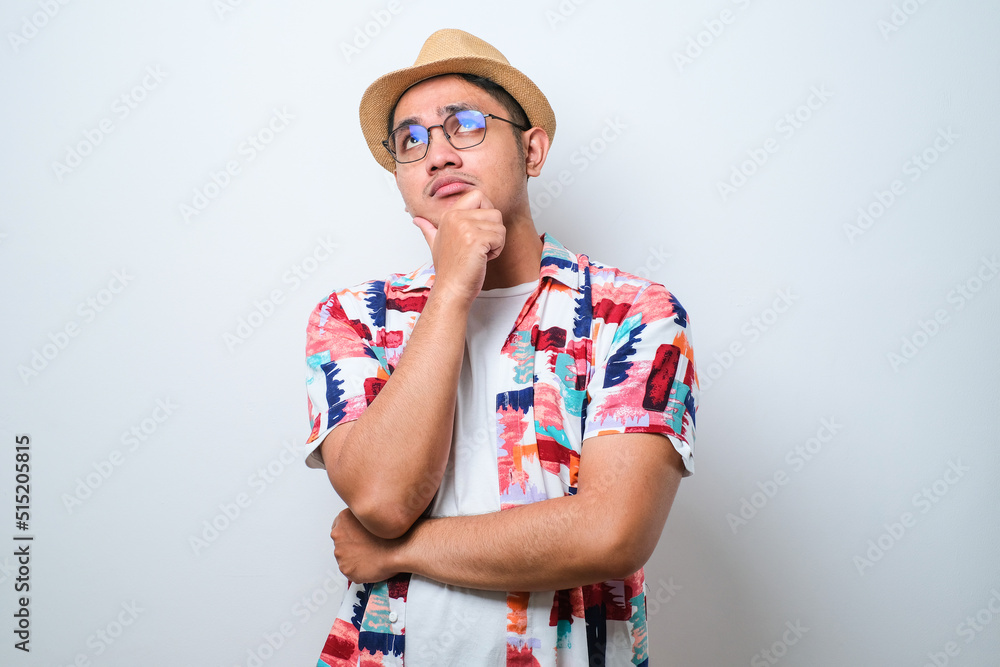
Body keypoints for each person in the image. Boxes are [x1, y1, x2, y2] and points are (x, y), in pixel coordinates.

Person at [302, 28, 699, 667]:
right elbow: (381, 499)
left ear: (532, 149)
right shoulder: (355, 318)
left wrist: (400, 551)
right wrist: (454, 288)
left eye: (465, 124)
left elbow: (611, 532)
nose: (437, 155)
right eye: (411, 140)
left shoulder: (632, 313)